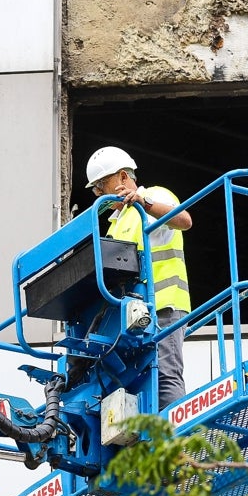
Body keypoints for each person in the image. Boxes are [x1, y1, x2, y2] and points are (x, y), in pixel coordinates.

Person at [85, 146, 192, 410]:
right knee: (130, 386)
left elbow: (184, 220)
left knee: (164, 375)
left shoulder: (153, 196)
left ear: (122, 177)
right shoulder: (116, 222)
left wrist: (143, 202)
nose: (99, 194)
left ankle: (180, 443)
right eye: (96, 190)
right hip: (132, 318)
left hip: (164, 307)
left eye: (101, 185)